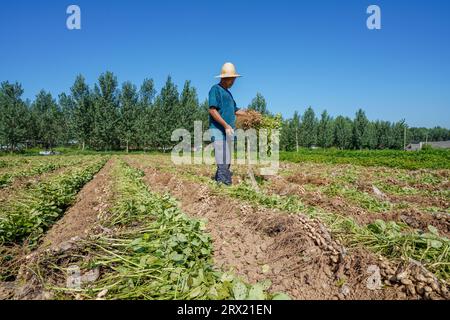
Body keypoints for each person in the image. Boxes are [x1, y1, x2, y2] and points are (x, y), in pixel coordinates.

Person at [208, 62, 249, 185]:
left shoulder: (229, 94)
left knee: (227, 160)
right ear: (226, 78)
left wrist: (250, 115)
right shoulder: (215, 90)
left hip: (229, 132)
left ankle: (218, 182)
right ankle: (224, 185)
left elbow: (236, 110)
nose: (234, 82)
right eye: (233, 79)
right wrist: (225, 125)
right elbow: (212, 109)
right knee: (223, 158)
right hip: (219, 130)